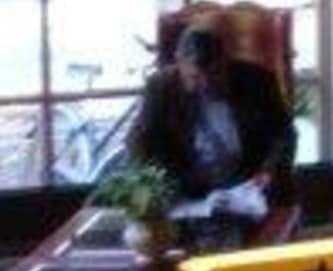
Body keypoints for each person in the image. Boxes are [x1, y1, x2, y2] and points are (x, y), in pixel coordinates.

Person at [127, 26, 296, 200]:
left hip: (249, 185)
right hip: (187, 188)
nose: (206, 84)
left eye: (214, 74)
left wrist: (269, 171)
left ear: (226, 62)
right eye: (195, 77)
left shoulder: (257, 80)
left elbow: (284, 133)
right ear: (179, 65)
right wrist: (162, 183)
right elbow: (139, 143)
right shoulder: (160, 87)